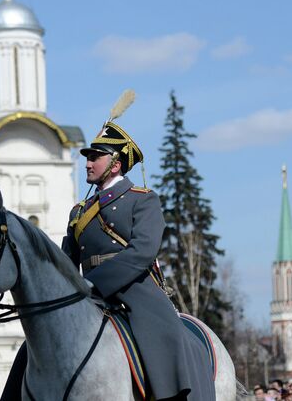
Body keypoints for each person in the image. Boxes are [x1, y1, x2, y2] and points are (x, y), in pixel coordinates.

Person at [58, 119, 216, 401]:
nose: (87, 163)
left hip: (132, 289)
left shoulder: (142, 200)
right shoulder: (79, 211)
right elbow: (67, 259)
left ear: (115, 164)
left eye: (95, 157)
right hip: (85, 292)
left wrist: (94, 283)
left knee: (166, 334)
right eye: (88, 158)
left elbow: (143, 251)